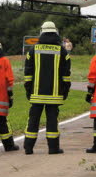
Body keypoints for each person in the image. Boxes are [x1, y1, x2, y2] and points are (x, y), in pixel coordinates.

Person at [23, 21, 71, 155]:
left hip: (36, 94)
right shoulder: (62, 51)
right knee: (52, 122)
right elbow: (66, 75)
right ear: (56, 33)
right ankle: (53, 148)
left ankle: (28, 147)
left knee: (33, 120)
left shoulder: (33, 50)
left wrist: (28, 90)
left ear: (41, 32)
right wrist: (65, 91)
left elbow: (28, 73)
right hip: (54, 95)